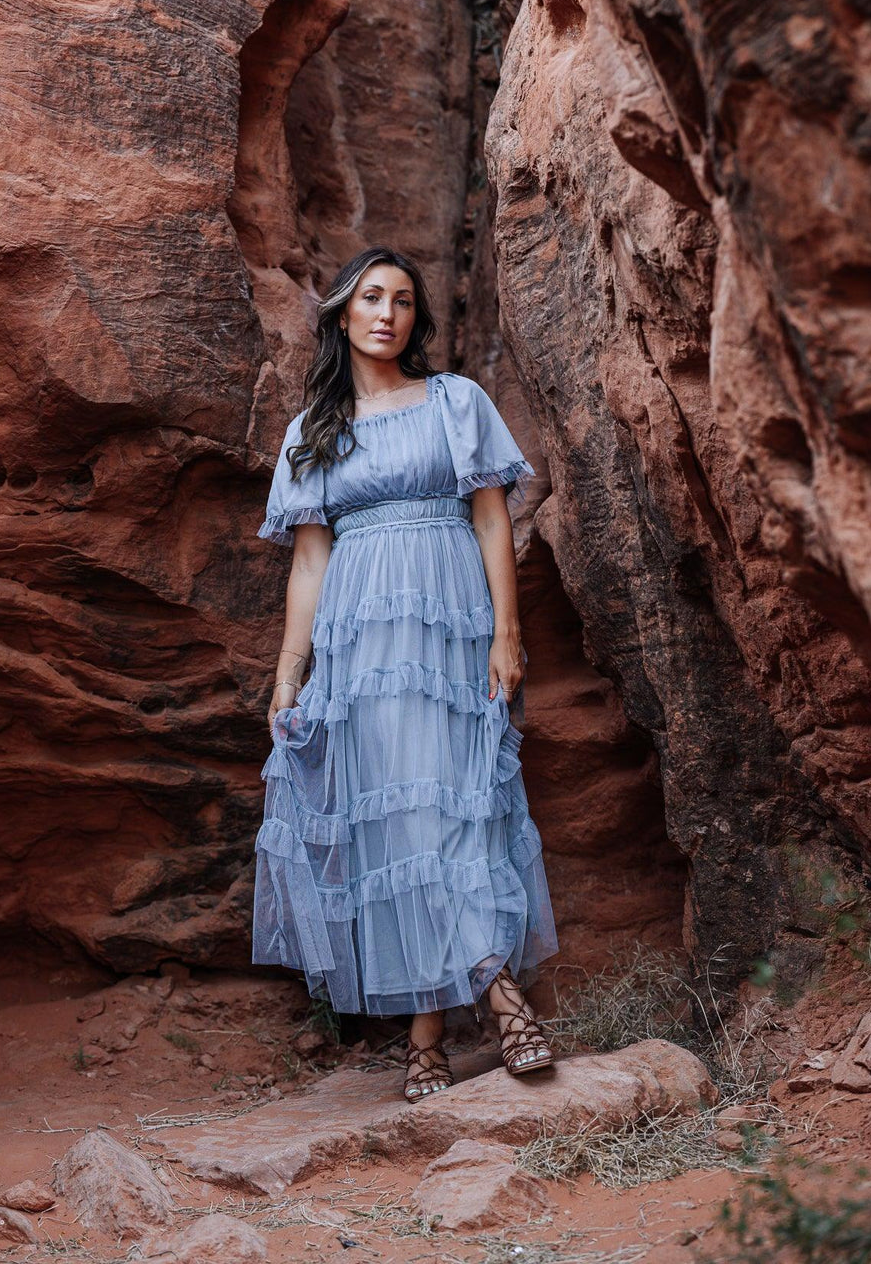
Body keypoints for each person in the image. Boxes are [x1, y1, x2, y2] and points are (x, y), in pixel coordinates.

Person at [252, 245, 559, 1102]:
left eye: (403, 300)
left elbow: (492, 522)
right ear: (343, 313)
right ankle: (490, 1005)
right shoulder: (313, 433)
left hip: (453, 629)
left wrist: (507, 633)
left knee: (459, 811)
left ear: (416, 318)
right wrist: (288, 675)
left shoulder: (456, 401)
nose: (387, 313)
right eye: (371, 297)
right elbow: (308, 564)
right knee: (399, 826)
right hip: (362, 649)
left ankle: (432, 1039)